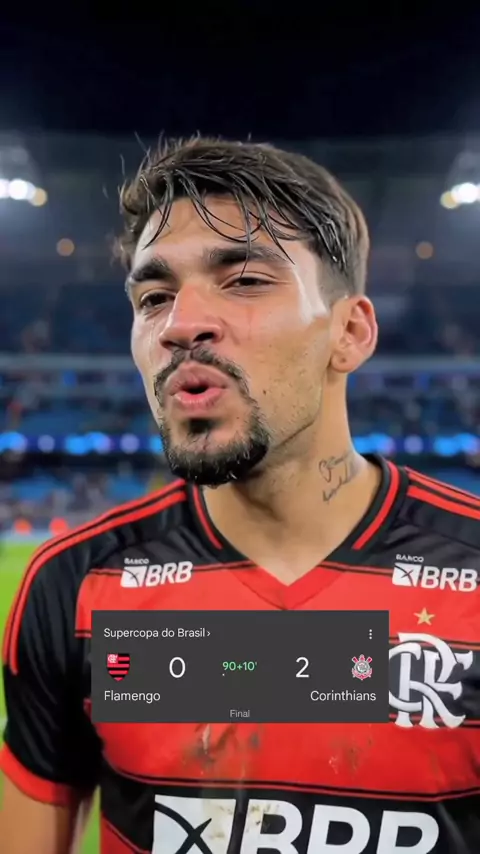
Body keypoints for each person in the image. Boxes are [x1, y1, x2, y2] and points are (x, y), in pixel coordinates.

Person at [1, 136, 480, 854]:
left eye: (246, 280)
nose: (180, 325)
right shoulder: (75, 586)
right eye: (154, 297)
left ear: (350, 332)